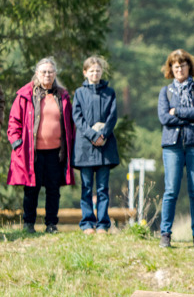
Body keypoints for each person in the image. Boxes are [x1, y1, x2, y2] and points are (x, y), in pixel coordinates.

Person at [6, 57, 76, 233]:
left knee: (53, 190)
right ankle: (28, 224)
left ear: (55, 74)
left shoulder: (63, 95)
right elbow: (14, 121)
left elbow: (71, 122)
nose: (47, 74)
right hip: (32, 152)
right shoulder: (25, 94)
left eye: (50, 71)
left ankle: (51, 224)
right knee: (31, 190)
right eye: (44, 71)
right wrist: (17, 143)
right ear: (37, 73)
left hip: (55, 152)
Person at [157, 49, 194, 248]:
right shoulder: (165, 91)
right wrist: (190, 113)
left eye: (183, 65)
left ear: (190, 67)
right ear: (170, 69)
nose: (179, 68)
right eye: (175, 66)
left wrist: (178, 111)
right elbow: (164, 118)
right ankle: (165, 234)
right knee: (171, 190)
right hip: (172, 145)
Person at [72, 55, 120, 234]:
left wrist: (103, 134)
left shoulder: (110, 92)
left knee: (102, 188)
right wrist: (92, 135)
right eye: (91, 71)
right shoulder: (79, 93)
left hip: (105, 148)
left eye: (98, 71)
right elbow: (77, 118)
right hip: (85, 148)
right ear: (85, 72)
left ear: (102, 72)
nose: (95, 73)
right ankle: (86, 223)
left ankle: (102, 224)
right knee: (86, 187)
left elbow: (113, 116)